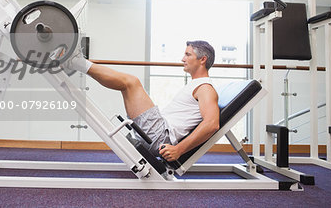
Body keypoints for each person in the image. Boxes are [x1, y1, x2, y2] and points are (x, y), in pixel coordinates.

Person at [64, 40, 219, 162]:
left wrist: (179, 150)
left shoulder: (205, 88)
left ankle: (75, 62)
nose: (182, 59)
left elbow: (212, 124)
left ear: (202, 59)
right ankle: (76, 62)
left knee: (131, 82)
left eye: (188, 55)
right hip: (158, 132)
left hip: (160, 137)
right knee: (126, 86)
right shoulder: (196, 85)